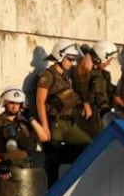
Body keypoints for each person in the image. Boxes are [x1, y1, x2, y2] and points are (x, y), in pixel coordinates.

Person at [35, 40, 91, 185]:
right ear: (59, 56)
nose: (72, 63)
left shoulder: (66, 77)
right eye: (69, 59)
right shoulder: (47, 75)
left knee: (88, 146)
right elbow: (40, 101)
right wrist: (45, 126)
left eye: (73, 59)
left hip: (68, 122)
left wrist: (84, 103)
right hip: (55, 123)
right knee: (53, 158)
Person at [74, 41, 119, 138]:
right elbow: (81, 84)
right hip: (90, 118)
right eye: (108, 60)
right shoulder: (83, 71)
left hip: (103, 116)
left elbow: (112, 92)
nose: (108, 63)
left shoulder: (104, 74)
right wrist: (86, 103)